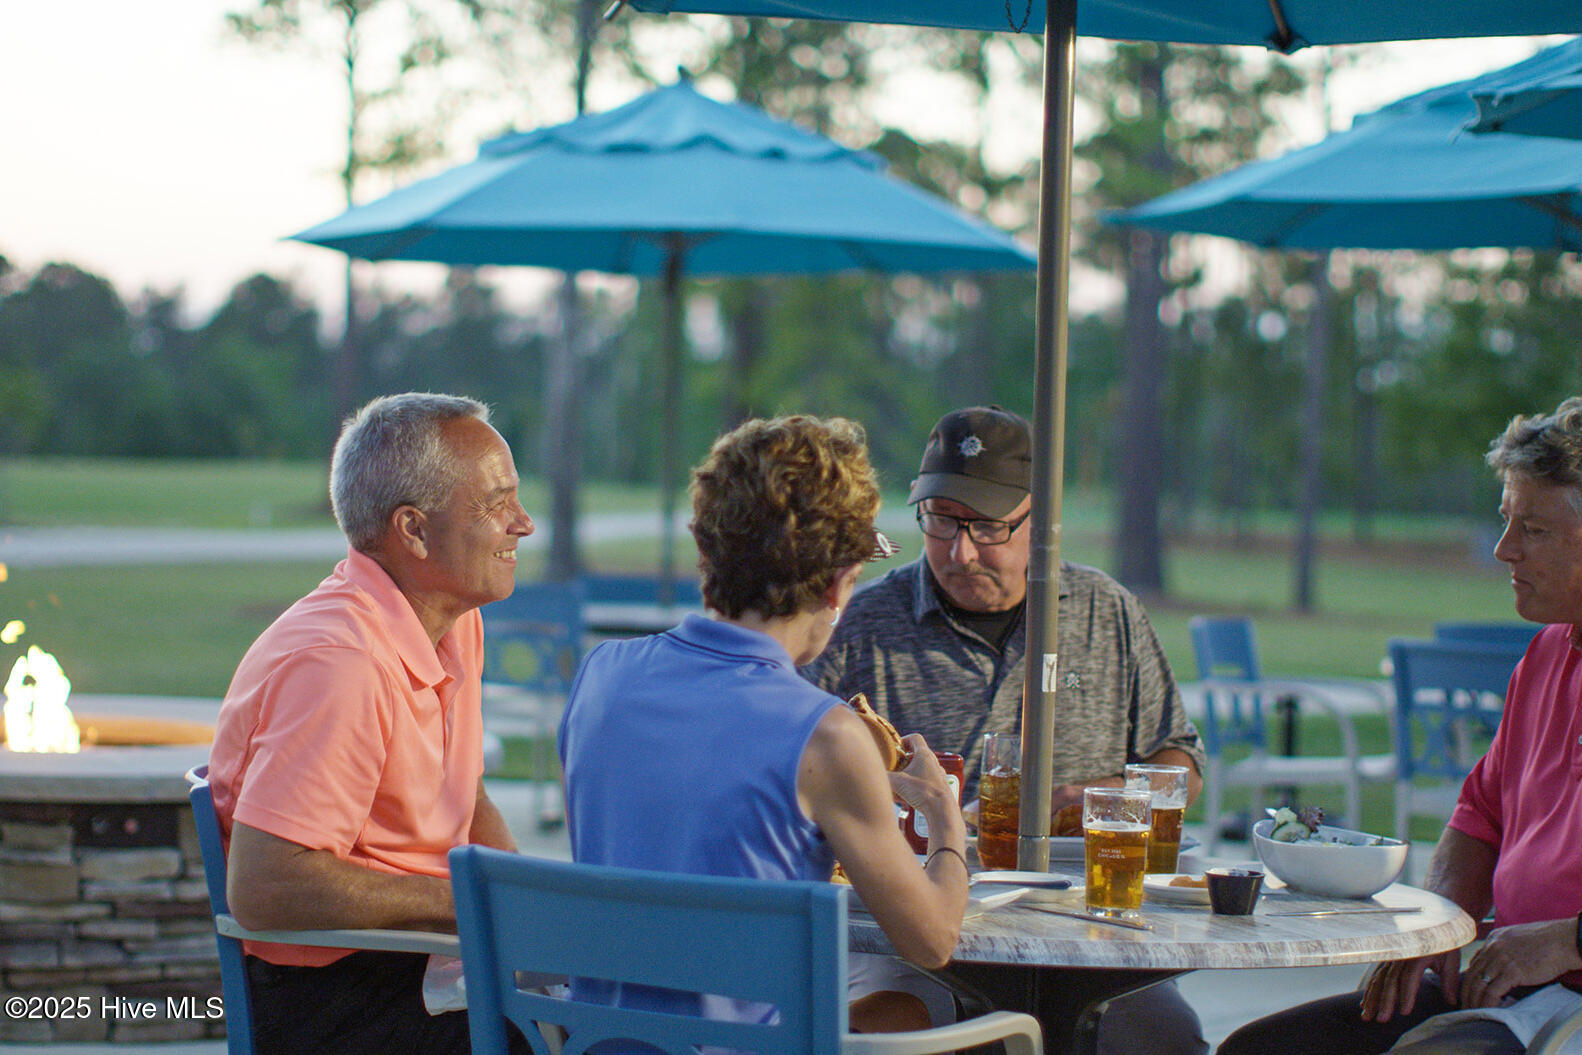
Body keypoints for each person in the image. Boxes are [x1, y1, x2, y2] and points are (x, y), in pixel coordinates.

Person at [802, 404, 1209, 1055]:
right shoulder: (862, 622)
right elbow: (791, 772)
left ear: (1040, 522)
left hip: (1087, 929)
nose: (959, 551)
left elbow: (1178, 757)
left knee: (1167, 1038)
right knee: (895, 1025)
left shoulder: (1107, 612)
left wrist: (1108, 798)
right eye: (940, 521)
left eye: (987, 526)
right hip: (906, 932)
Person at [559, 414, 971, 1034]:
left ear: (705, 549)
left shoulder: (601, 676)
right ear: (838, 585)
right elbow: (932, 940)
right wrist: (943, 814)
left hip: (600, 1043)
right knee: (935, 1006)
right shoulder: (827, 736)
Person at [1218, 396, 1582, 1055]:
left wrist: (1566, 940)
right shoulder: (1547, 654)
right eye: (1507, 521)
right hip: (1508, 986)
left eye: (1533, 529)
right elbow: (1480, 816)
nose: (1504, 550)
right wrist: (1434, 931)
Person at [207, 393, 534, 1055]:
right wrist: (464, 904)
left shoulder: (453, 619)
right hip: (333, 995)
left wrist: (527, 906)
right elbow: (265, 886)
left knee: (605, 1003)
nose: (523, 523)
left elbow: (465, 797)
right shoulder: (342, 662)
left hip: (415, 955)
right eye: (496, 503)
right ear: (413, 530)